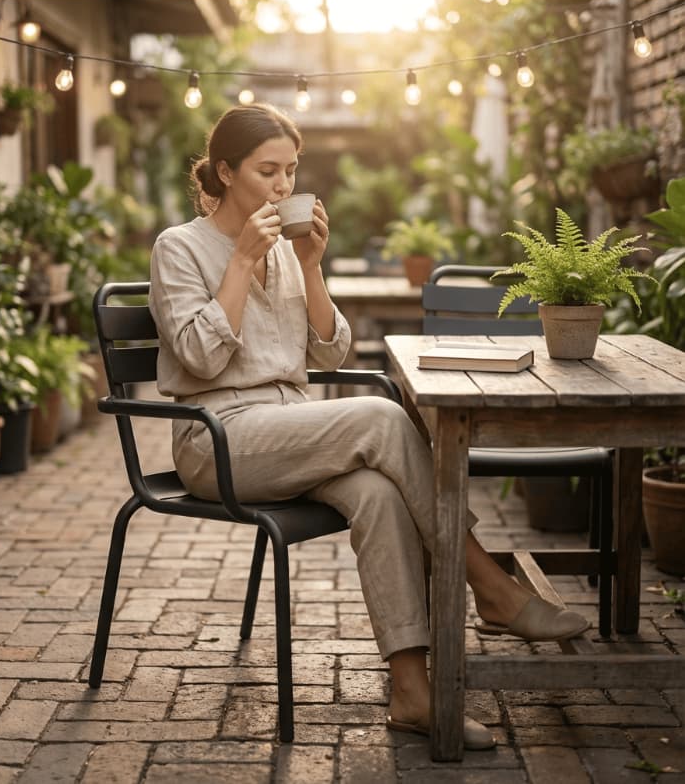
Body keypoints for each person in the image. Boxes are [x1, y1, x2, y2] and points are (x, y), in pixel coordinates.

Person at [149, 103, 590, 750]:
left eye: (291, 171)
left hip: (291, 428)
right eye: (266, 171)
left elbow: (328, 355)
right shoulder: (179, 248)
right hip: (217, 438)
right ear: (223, 171)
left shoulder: (282, 252)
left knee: (379, 494)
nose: (282, 186)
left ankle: (411, 692)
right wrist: (240, 263)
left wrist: (309, 265)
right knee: (383, 418)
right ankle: (490, 584)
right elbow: (201, 357)